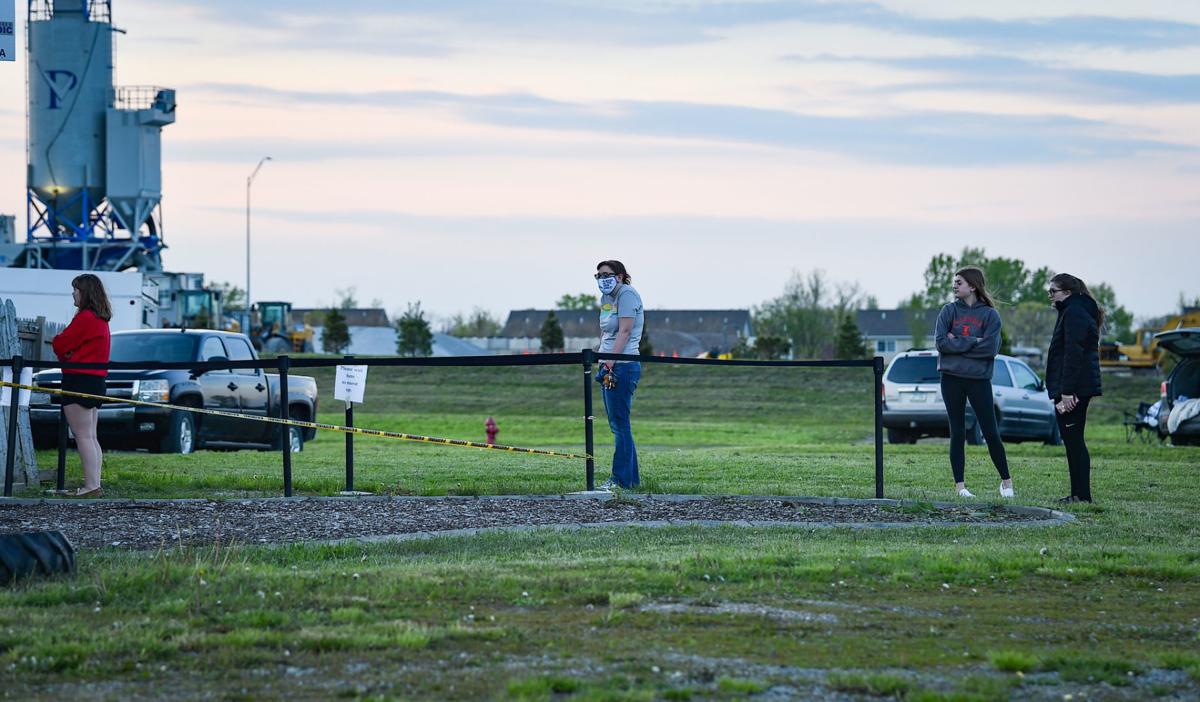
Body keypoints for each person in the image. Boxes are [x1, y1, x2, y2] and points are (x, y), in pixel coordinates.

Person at [934, 267, 1013, 499]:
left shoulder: (990, 315)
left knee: (990, 431)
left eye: (959, 282)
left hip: (979, 380)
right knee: (957, 431)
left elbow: (990, 349)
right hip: (951, 379)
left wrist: (957, 341)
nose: (954, 285)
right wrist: (973, 341)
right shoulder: (948, 311)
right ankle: (960, 487)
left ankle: (1006, 483)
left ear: (973, 286)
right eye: (954, 282)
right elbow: (941, 343)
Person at [51, 274, 112, 498]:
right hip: (95, 381)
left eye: (76, 289)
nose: (73, 294)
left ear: (85, 292)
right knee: (91, 435)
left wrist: (67, 352)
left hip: (79, 380)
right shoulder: (101, 319)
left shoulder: (86, 318)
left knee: (83, 436)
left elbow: (60, 342)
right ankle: (93, 484)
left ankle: (91, 487)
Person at [1044, 273, 1103, 504]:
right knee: (1072, 440)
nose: (1050, 296)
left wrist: (1067, 392)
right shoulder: (1072, 310)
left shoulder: (1075, 312)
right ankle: (1078, 494)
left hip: (1074, 390)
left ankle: (1082, 495)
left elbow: (1073, 354)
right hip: (1074, 387)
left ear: (1067, 292)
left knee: (1074, 440)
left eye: (1053, 291)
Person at [594, 260, 644, 491]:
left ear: (621, 276)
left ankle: (621, 480)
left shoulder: (627, 295)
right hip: (608, 363)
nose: (602, 278)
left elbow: (624, 331)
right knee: (618, 424)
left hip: (622, 365)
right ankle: (630, 480)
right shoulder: (607, 299)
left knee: (620, 425)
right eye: (599, 274)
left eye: (607, 274)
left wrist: (611, 362)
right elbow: (606, 331)